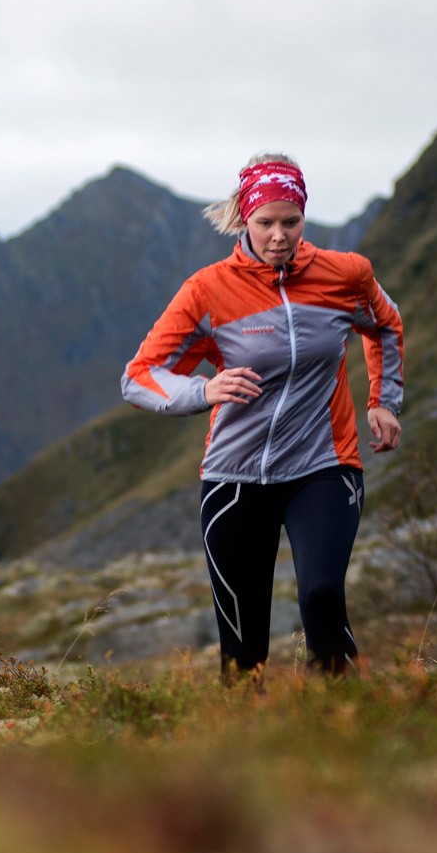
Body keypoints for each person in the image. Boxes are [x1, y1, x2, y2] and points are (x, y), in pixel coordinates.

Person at [120, 153, 403, 679]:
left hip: (324, 464)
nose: (279, 235)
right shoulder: (207, 291)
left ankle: (347, 730)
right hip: (235, 477)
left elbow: (385, 324)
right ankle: (252, 746)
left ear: (303, 216)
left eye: (290, 222)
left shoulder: (345, 275)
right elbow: (139, 377)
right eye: (265, 223)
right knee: (243, 647)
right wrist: (204, 391)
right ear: (244, 220)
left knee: (322, 595)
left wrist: (383, 400)